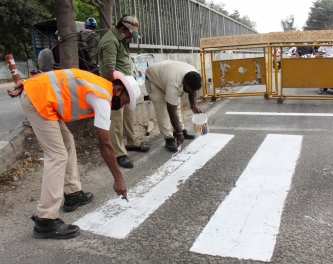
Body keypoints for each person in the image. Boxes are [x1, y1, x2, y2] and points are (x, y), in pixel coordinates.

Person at [7, 69, 138, 239]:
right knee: (57, 155)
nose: (121, 106)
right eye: (124, 102)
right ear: (119, 91)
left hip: (39, 95)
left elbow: (60, 74)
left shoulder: (99, 85)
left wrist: (27, 82)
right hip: (38, 100)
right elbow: (105, 144)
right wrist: (119, 179)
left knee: (67, 142)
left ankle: (73, 194)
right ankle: (45, 220)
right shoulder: (102, 98)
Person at [98, 14, 149, 169]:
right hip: (116, 88)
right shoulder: (110, 41)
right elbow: (110, 69)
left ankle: (132, 143)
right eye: (129, 33)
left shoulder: (121, 39)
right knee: (116, 120)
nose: (130, 37)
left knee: (128, 115)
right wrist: (117, 93)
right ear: (122, 29)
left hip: (126, 86)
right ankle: (119, 153)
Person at [145, 60, 202, 152]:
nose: (190, 91)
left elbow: (193, 90)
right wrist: (179, 133)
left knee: (176, 105)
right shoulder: (174, 83)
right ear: (184, 82)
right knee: (162, 109)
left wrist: (194, 106)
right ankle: (169, 138)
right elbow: (171, 111)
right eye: (189, 88)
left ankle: (179, 130)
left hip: (166, 74)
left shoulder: (195, 76)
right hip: (154, 79)